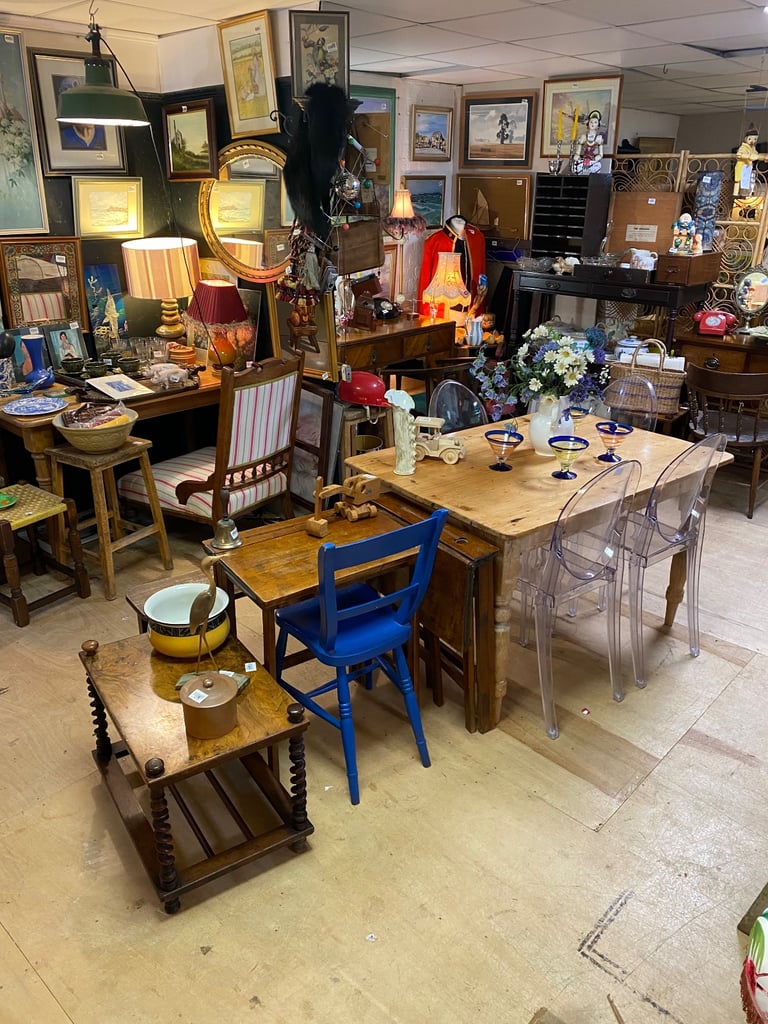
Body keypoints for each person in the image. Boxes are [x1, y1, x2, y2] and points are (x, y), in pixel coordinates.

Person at [575, 109, 605, 174]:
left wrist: (596, 158)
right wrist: (577, 155)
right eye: (591, 122)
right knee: (581, 170)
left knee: (596, 167)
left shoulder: (599, 138)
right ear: (588, 123)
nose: (593, 124)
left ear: (598, 124)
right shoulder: (583, 137)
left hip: (593, 161)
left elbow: (601, 154)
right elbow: (578, 152)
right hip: (584, 160)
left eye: (595, 122)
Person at [734, 126, 759, 197]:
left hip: (748, 167)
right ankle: (736, 194)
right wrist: (748, 156)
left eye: (755, 139)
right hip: (742, 166)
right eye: (750, 139)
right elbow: (739, 154)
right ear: (746, 139)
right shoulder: (743, 147)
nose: (752, 141)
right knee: (739, 181)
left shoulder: (753, 148)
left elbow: (756, 154)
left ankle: (747, 194)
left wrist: (757, 156)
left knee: (748, 181)